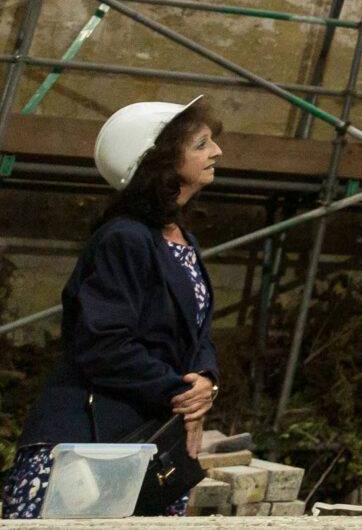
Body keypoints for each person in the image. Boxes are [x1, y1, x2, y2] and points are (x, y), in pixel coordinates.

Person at [4, 97, 222, 519]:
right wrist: (181, 392)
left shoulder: (181, 241)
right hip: (89, 445)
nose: (217, 152)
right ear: (158, 163)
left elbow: (197, 333)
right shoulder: (124, 238)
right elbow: (103, 345)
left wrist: (205, 382)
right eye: (201, 144)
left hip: (147, 445)